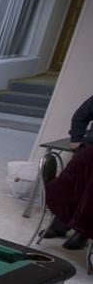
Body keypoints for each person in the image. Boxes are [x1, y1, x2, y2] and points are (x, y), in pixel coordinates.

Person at [41, 93, 93, 249]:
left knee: (90, 195)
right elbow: (80, 116)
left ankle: (82, 232)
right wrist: (76, 140)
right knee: (68, 186)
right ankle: (60, 223)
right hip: (89, 150)